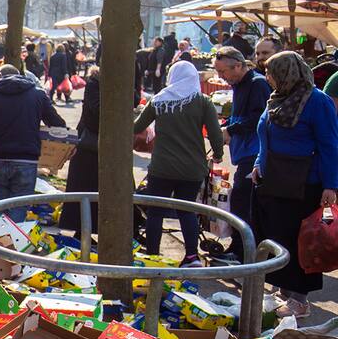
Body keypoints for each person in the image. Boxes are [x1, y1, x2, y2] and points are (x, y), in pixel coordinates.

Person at [252, 52, 338, 319]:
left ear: (287, 72)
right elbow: (265, 137)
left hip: (303, 184)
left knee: (298, 240)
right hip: (273, 181)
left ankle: (299, 300)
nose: (267, 76)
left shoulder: (317, 101)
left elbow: (330, 145)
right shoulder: (276, 98)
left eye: (271, 71)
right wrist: (258, 164)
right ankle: (284, 291)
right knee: (277, 235)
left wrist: (331, 185)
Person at [133, 59, 224, 267]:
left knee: (156, 211)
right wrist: (217, 154)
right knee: (187, 209)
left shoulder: (159, 100)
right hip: (192, 168)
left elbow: (137, 127)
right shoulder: (203, 101)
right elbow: (215, 133)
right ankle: (192, 256)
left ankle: (153, 256)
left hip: (162, 166)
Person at [0, 65, 68, 223]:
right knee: (19, 206)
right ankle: (14, 244)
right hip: (26, 159)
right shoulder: (37, 95)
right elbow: (57, 124)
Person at [211, 47, 271, 265]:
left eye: (223, 71)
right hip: (244, 152)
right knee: (241, 202)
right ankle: (240, 249)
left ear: (238, 65)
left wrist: (231, 130)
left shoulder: (257, 84)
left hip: (254, 153)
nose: (220, 77)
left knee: (241, 202)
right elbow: (240, 116)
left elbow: (258, 118)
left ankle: (241, 252)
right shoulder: (239, 85)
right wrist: (226, 126)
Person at [59, 66, 101, 238]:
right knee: (85, 187)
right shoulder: (94, 84)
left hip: (96, 145)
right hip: (89, 146)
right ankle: (82, 231)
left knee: (93, 188)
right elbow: (97, 110)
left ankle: (86, 231)